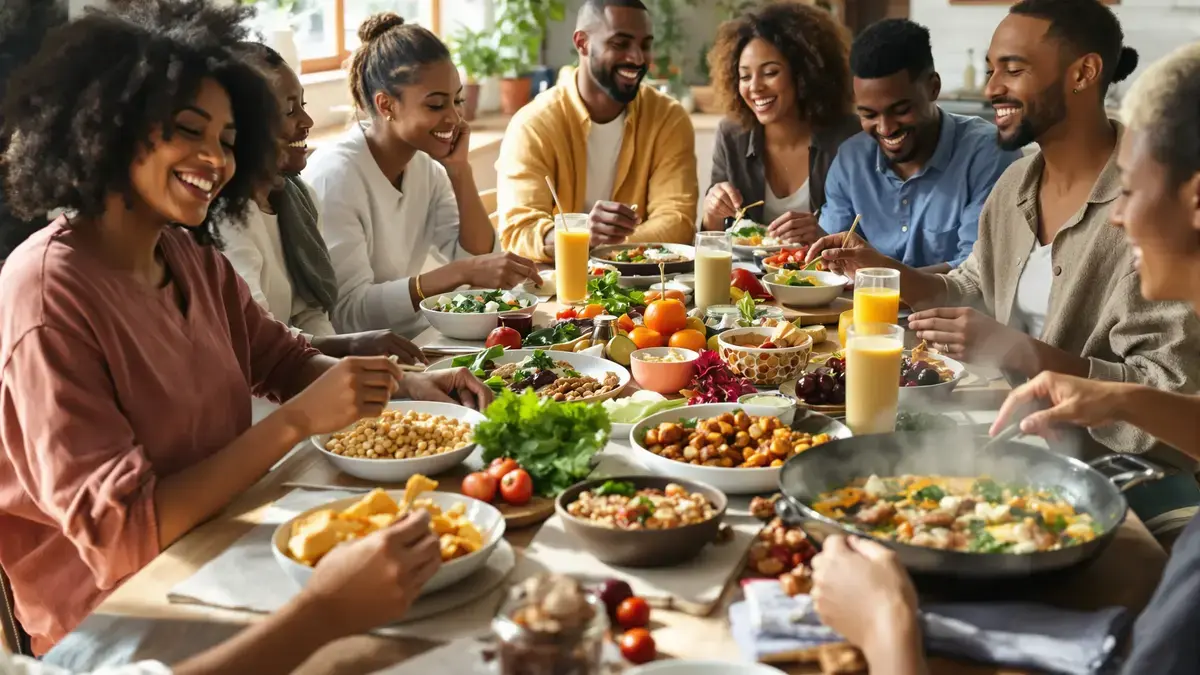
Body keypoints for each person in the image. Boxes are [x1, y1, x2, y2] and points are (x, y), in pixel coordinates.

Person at [0, 1, 491, 654]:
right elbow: (123, 536)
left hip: (229, 544)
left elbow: (286, 361)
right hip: (113, 617)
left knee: (460, 615)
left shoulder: (188, 258)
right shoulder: (46, 293)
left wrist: (407, 386)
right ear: (107, 127)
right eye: (188, 130)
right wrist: (296, 421)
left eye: (228, 141)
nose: (215, 159)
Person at [809, 40, 1200, 675]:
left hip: (1134, 473)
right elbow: (973, 284)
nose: (1118, 216)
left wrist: (888, 627)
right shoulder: (1019, 181)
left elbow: (1168, 402)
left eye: (1130, 190)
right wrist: (1120, 395)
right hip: (1058, 441)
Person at [302, 13, 539, 337]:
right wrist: (456, 273)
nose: (455, 117)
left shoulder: (425, 168)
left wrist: (460, 171)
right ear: (386, 105)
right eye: (436, 105)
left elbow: (482, 263)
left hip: (418, 339)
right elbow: (347, 314)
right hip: (361, 360)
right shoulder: (336, 176)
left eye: (457, 100)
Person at [2, 510, 443, 674]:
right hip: (113, 619)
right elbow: (123, 528)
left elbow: (274, 353)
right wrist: (323, 612)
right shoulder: (43, 320)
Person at [220, 42, 424, 369]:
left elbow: (309, 311)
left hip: (301, 376)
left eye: (301, 105)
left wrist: (343, 355)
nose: (307, 120)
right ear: (241, 126)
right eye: (289, 110)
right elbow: (255, 345)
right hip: (258, 399)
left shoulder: (295, 199)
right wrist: (350, 348)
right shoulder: (225, 220)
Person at [495, 0, 699, 262]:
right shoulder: (534, 124)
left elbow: (677, 220)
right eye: (620, 44)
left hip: (644, 289)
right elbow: (518, 231)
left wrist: (601, 247)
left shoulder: (668, 118)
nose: (637, 58)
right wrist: (580, 236)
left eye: (645, 45)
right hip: (558, 289)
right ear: (582, 43)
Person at [818, 19, 1021, 272]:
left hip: (955, 310)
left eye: (901, 110)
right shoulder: (851, 160)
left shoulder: (989, 152)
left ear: (933, 87)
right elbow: (833, 262)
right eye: (869, 115)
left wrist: (882, 279)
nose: (885, 128)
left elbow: (977, 272)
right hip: (859, 309)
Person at [702, 1, 861, 243]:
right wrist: (712, 212)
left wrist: (820, 233)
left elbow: (866, 234)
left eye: (770, 73)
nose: (754, 87)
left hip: (823, 275)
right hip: (746, 276)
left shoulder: (847, 136)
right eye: (745, 76)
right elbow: (713, 241)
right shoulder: (732, 135)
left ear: (803, 73)